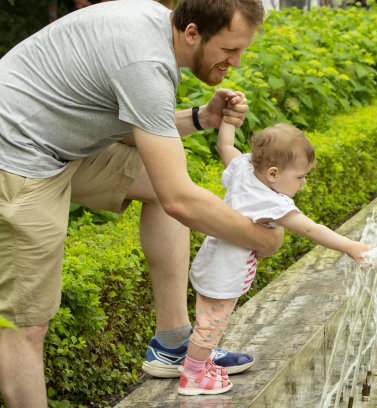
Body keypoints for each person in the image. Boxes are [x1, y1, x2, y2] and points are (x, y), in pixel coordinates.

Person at [0, 0, 284, 406]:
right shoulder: (146, 64)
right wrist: (261, 238)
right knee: (23, 327)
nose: (235, 63)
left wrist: (202, 117)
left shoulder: (155, 26)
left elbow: (135, 128)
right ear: (191, 32)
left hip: (58, 144)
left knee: (156, 176)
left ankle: (172, 344)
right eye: (228, 50)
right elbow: (179, 200)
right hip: (17, 158)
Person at [177, 120, 371, 395]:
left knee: (208, 323)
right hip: (224, 272)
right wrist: (349, 246)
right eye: (300, 176)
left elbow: (225, 146)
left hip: (212, 261)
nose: (304, 183)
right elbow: (310, 229)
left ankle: (199, 365)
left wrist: (229, 122)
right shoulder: (271, 202)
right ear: (272, 174)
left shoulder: (245, 171)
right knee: (210, 327)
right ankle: (193, 376)